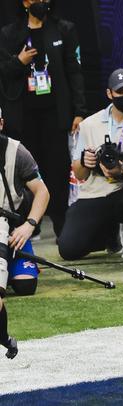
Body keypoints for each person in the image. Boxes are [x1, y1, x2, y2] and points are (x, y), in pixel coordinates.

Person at [0, 0, 87, 238]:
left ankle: (62, 226)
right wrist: (19, 62)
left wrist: (79, 111)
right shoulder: (9, 34)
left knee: (57, 170)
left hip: (55, 115)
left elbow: (74, 71)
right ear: (25, 2)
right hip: (22, 116)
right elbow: (3, 72)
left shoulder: (64, 29)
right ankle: (31, 224)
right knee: (26, 172)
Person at [57, 69, 123, 260]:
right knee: (69, 250)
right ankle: (107, 234)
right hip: (94, 193)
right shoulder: (89, 124)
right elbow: (79, 175)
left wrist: (121, 172)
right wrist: (85, 162)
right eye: (120, 92)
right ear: (109, 93)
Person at [0, 106, 50, 358]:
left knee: (26, 286)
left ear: (0, 124)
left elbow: (42, 191)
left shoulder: (17, 151)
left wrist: (29, 225)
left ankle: (8, 269)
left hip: (11, 227)